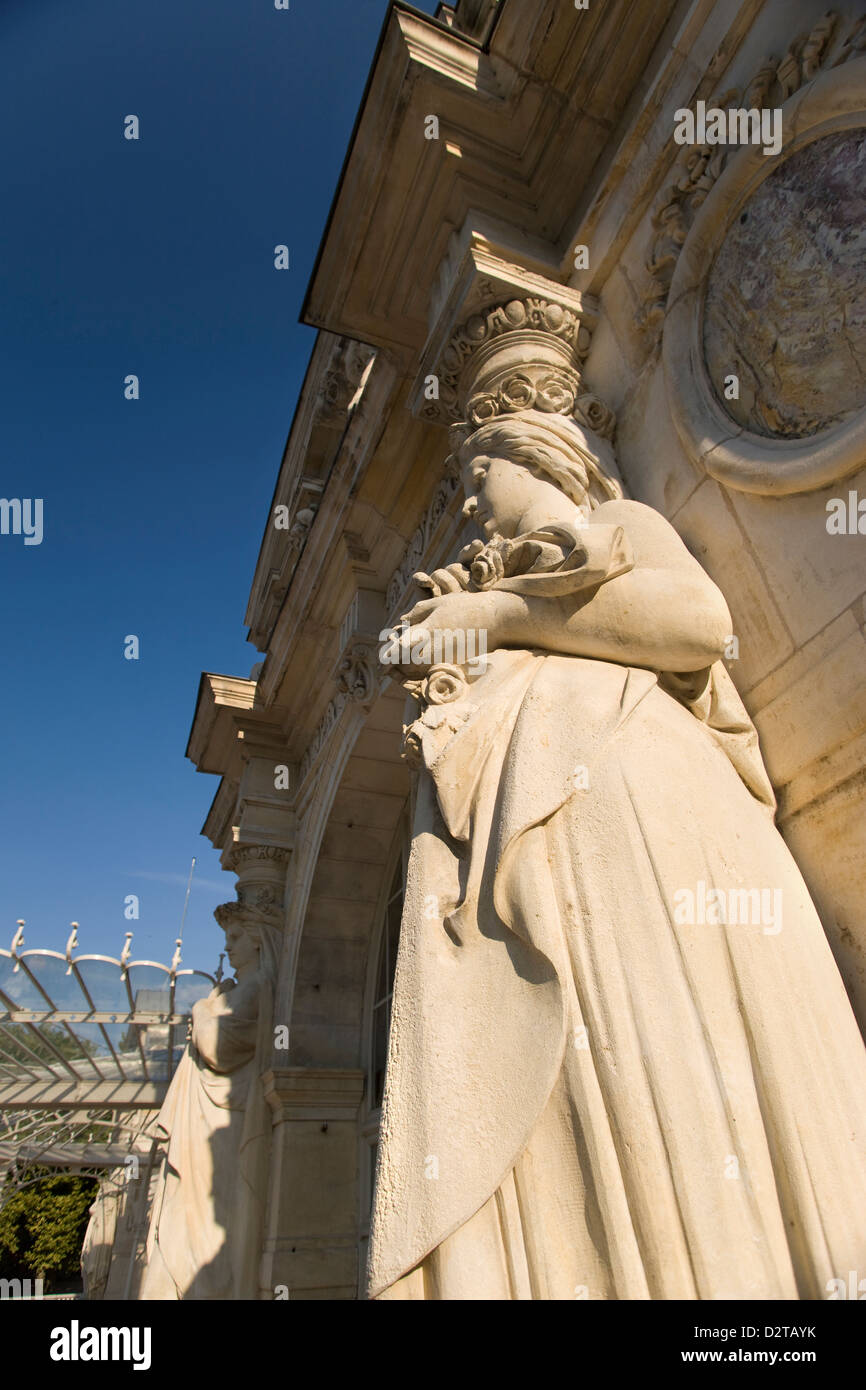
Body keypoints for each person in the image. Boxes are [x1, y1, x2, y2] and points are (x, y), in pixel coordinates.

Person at [368, 408, 866, 1300]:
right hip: (542, 845)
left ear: (540, 455)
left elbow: (692, 624)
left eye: (481, 479)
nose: (473, 507)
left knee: (667, 1053)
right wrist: (451, 628)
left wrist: (494, 612)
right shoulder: (499, 580)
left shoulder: (616, 527)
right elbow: (414, 656)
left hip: (630, 802)